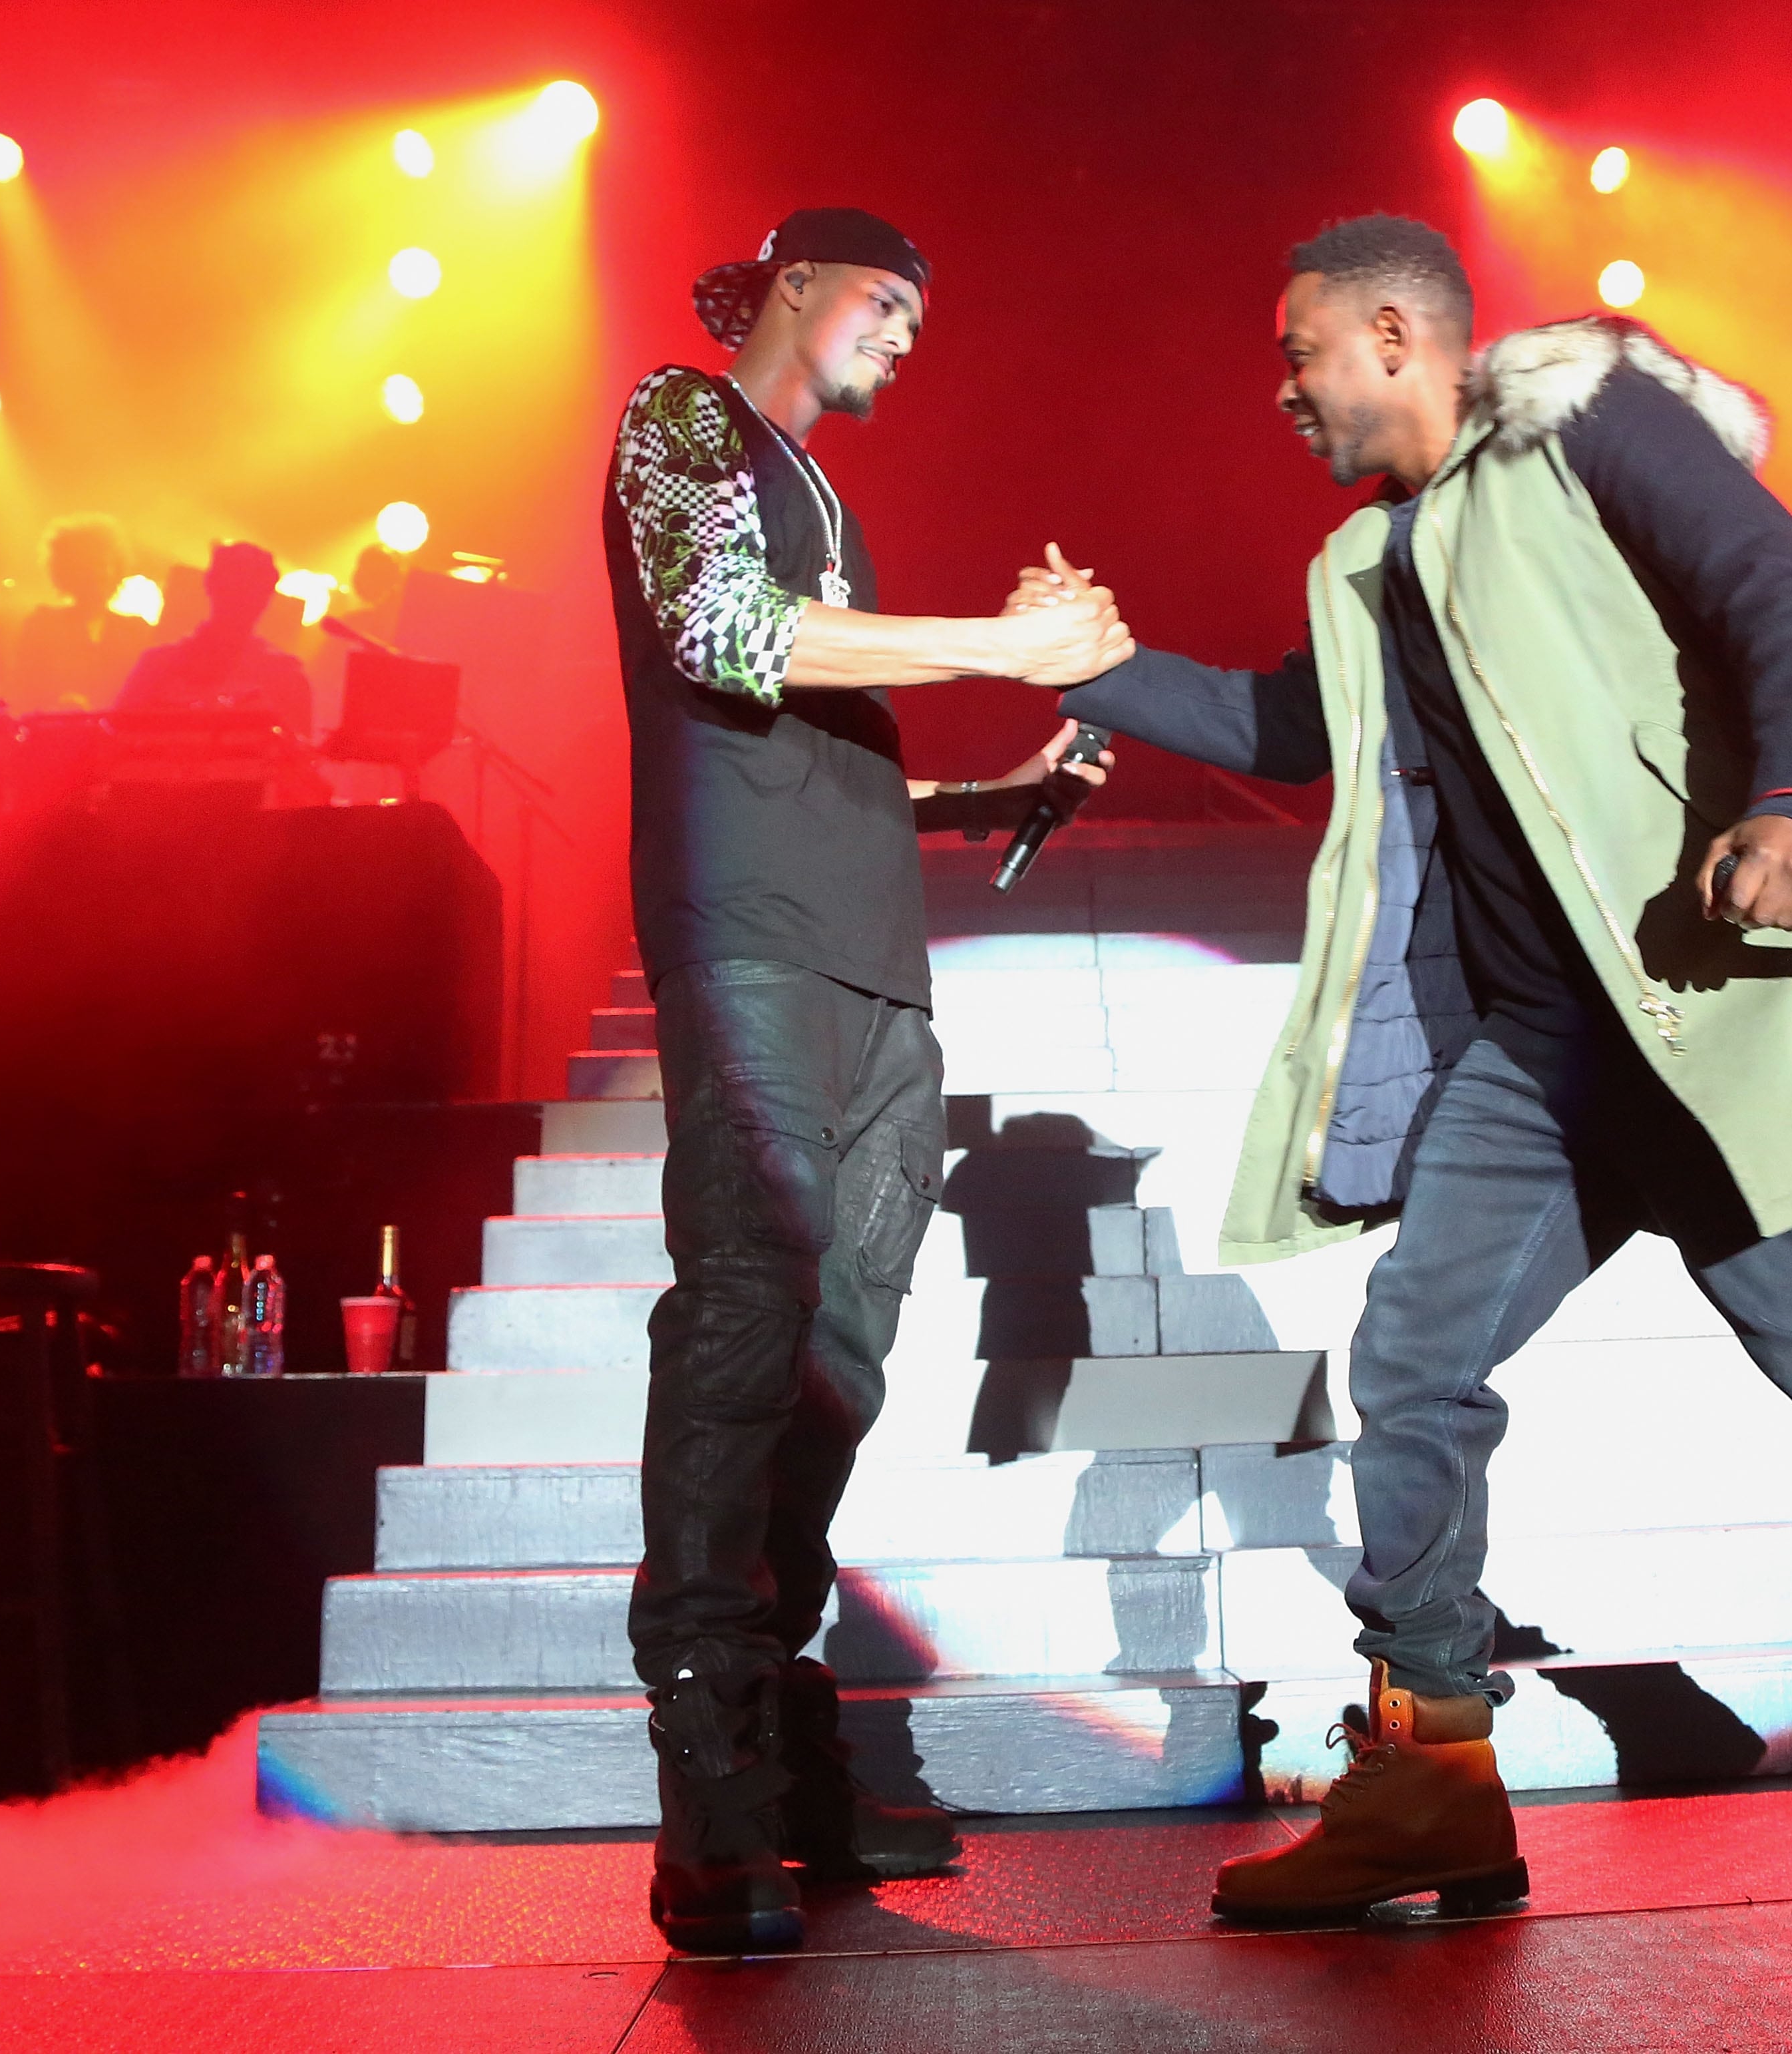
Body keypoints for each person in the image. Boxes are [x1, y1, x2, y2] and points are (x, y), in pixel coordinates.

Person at [1045, 215, 1792, 1923]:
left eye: (1298, 352)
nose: (1284, 392)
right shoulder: (1368, 561)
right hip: (1538, 1054)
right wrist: (1083, 664)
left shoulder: (1583, 421)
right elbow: (1290, 729)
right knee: (1417, 1350)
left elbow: (1781, 594)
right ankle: (1434, 1766)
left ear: (1397, 333)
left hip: (1707, 1003)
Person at [607, 206, 1129, 1957]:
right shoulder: (680, 422)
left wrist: (993, 791)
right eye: (887, 301)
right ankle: (710, 1775)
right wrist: (997, 643)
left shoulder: (828, 500)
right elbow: (721, 635)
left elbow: (814, 744)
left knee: (836, 1348)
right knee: (752, 1300)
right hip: (747, 943)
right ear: (789, 287)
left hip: (873, 966)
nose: (906, 338)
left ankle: (778, 1716)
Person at [117, 540, 313, 739]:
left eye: (250, 588)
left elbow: (301, 759)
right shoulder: (157, 666)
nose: (239, 597)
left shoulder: (286, 678)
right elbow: (116, 737)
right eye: (233, 584)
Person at [11, 514, 151, 712]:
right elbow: (22, 692)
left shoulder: (136, 631)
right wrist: (57, 707)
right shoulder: (43, 626)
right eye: (88, 565)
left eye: (103, 564)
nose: (97, 574)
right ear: (67, 571)